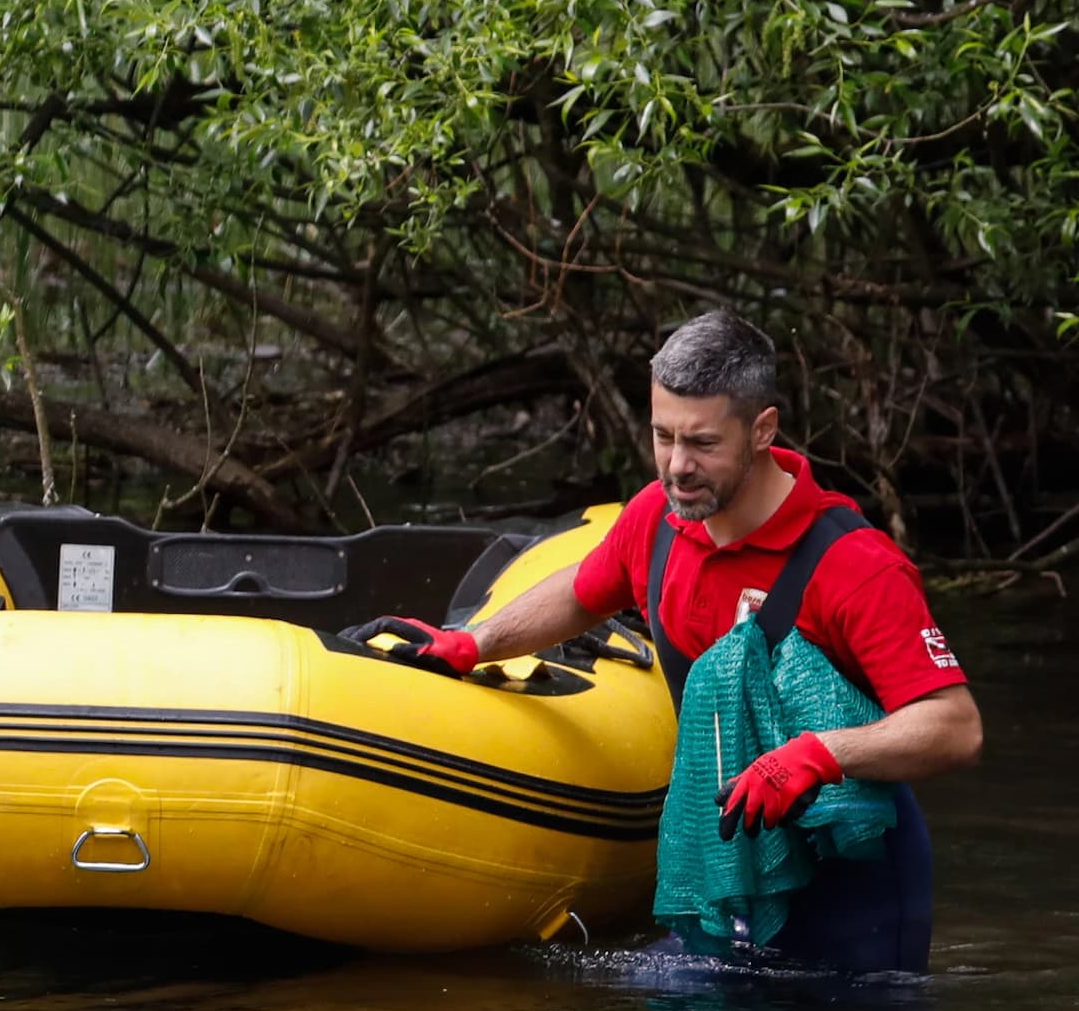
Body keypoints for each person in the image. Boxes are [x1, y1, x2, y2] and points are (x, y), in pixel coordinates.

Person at [364, 310, 979, 974]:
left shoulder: (857, 565)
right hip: (724, 871)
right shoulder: (654, 519)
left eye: (703, 443)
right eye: (662, 436)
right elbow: (582, 592)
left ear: (763, 429)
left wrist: (820, 755)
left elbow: (954, 727)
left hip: (851, 898)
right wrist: (473, 642)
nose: (677, 466)